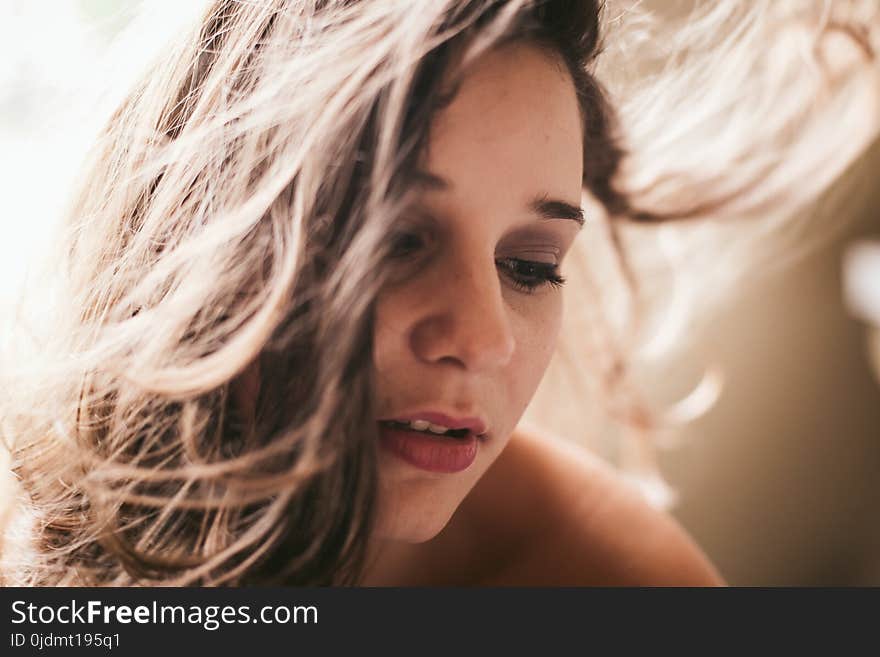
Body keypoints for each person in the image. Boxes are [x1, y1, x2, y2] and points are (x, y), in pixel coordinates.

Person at [1, 0, 875, 586]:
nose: (484, 337)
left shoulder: (604, 581)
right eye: (396, 241)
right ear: (202, 233)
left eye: (530, 265)